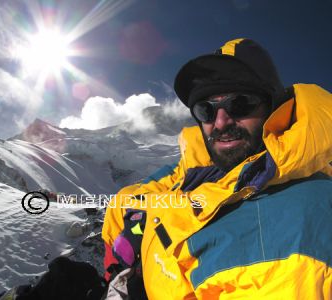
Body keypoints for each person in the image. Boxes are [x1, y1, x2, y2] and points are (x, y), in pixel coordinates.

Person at [102, 38, 332, 299]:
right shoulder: (204, 168)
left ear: (275, 107)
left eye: (240, 103)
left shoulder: (299, 229)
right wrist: (137, 221)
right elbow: (137, 195)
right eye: (206, 110)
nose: (221, 122)